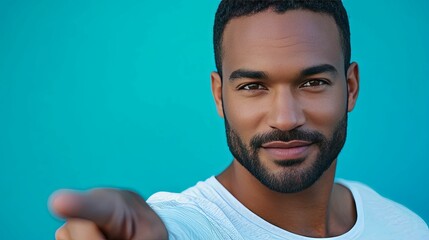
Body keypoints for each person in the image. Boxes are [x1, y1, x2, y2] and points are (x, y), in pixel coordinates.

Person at [49, 0, 429, 239]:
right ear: (219, 95)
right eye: (252, 86)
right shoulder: (184, 226)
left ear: (350, 87)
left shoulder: (404, 227)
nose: (285, 118)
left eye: (313, 82)